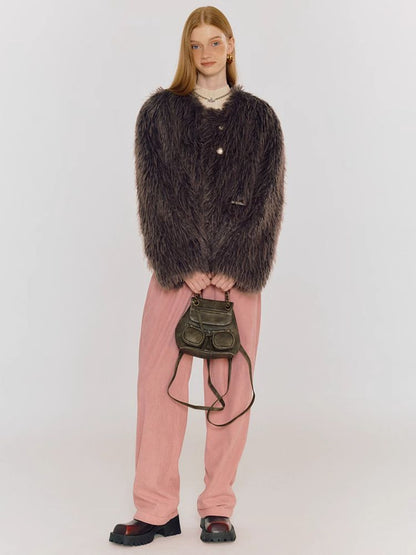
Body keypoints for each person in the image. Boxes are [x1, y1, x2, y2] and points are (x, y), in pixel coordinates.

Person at [109, 5, 286, 547]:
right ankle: (155, 507)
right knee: (156, 387)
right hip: (176, 272)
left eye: (214, 42)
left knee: (230, 393)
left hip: (237, 277)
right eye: (195, 44)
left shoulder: (261, 119)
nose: (205, 53)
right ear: (186, 51)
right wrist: (180, 261)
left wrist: (236, 264)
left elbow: (268, 198)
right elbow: (153, 193)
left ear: (230, 45)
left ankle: (217, 507)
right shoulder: (158, 114)